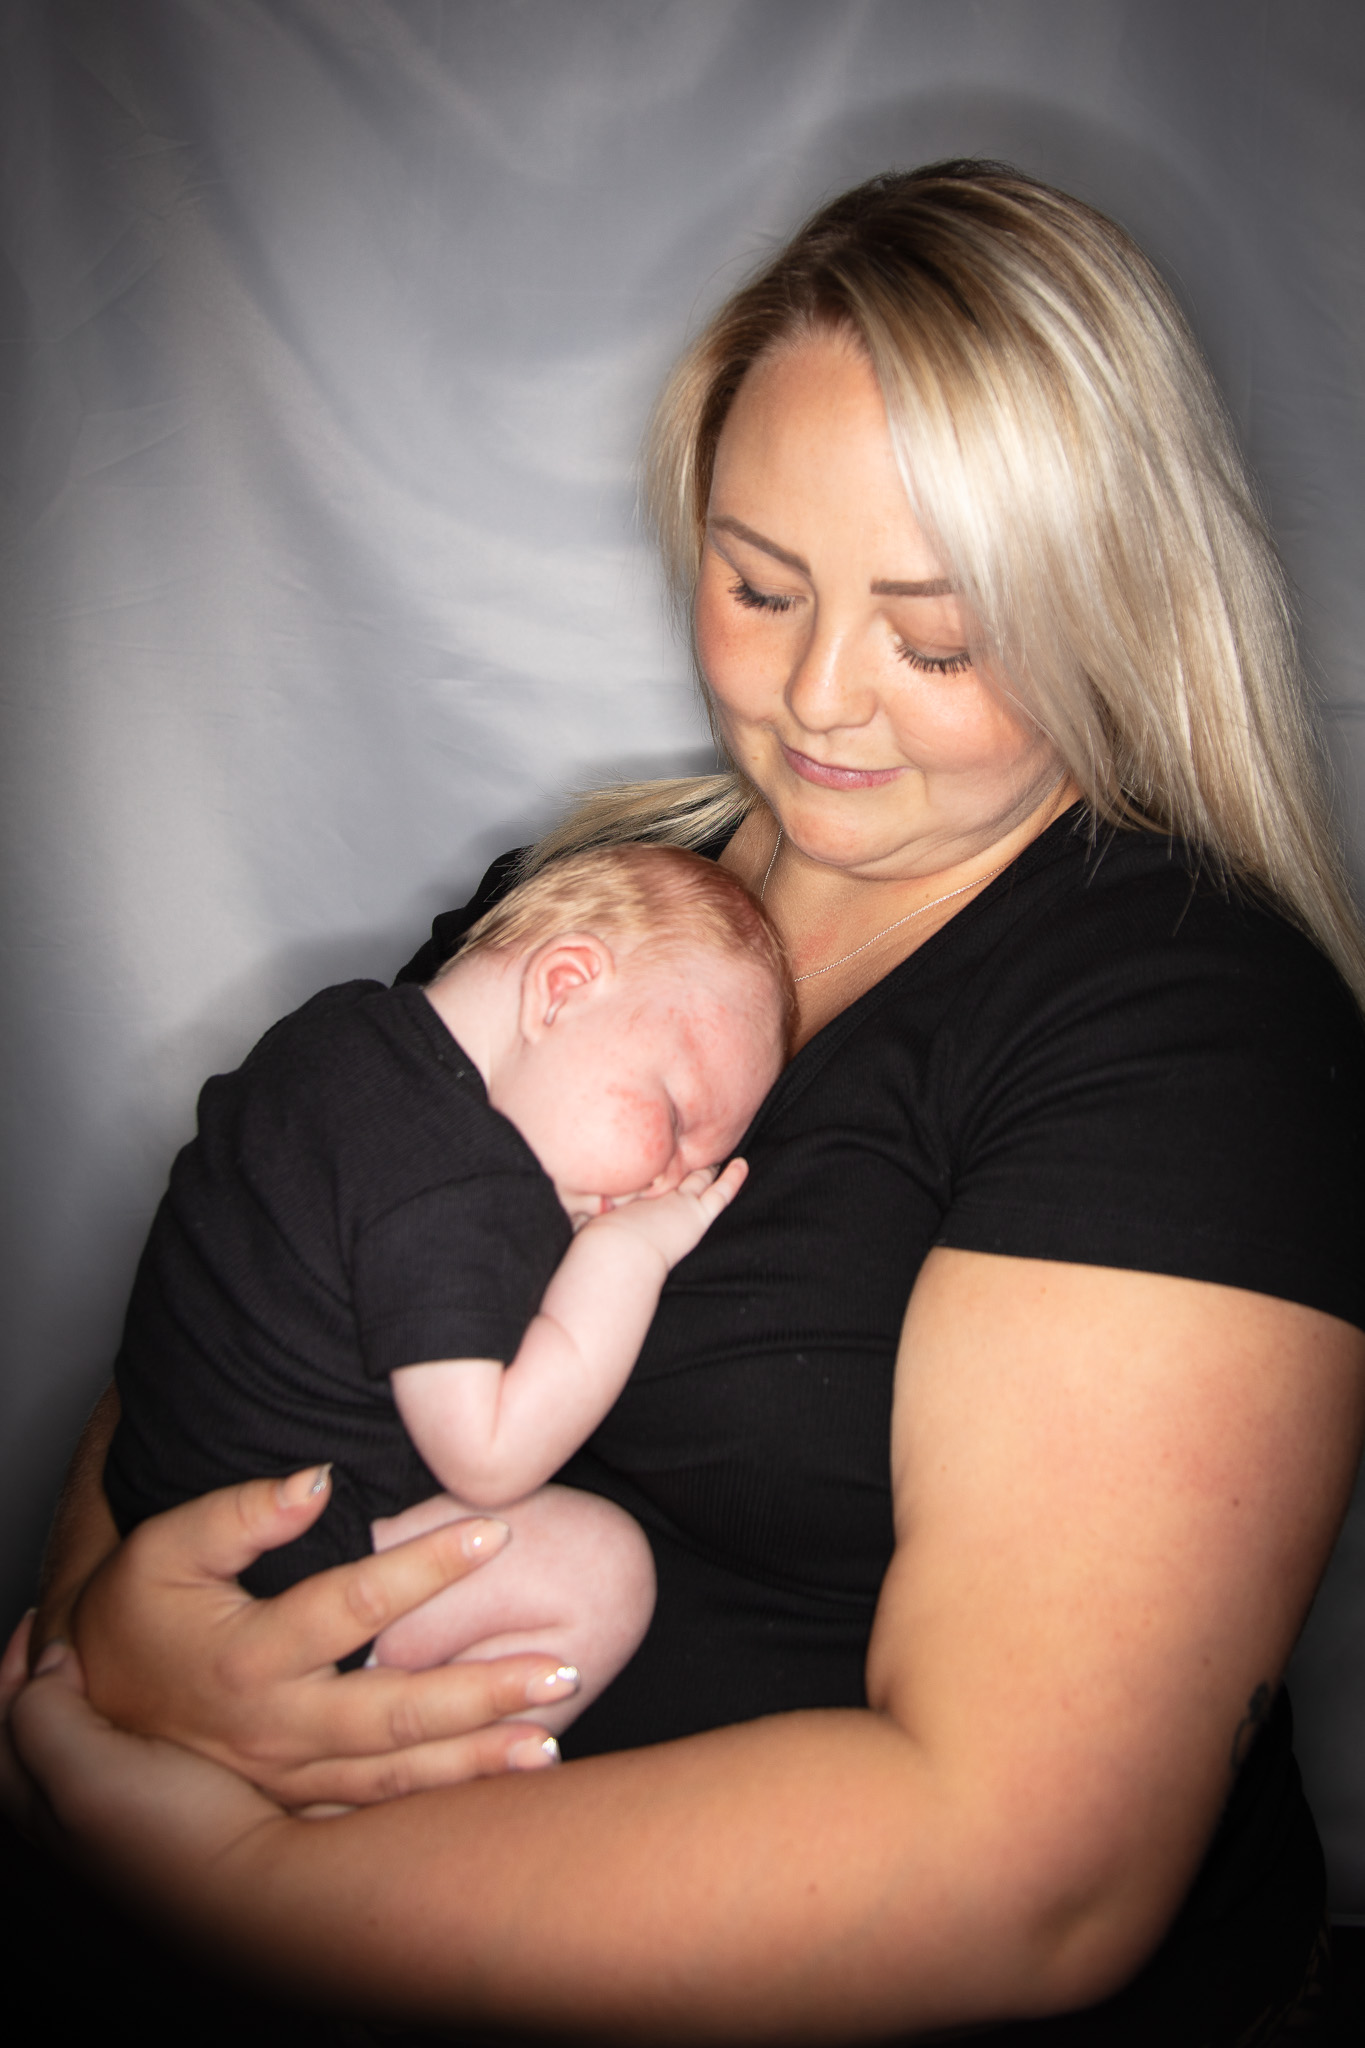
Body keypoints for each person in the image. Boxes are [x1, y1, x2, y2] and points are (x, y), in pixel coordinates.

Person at [6, 160, 1365, 2045]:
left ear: (1106, 600)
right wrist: (128, 1636)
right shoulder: (588, 916)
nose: (820, 695)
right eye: (758, 584)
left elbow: (1025, 1871)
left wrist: (237, 1880)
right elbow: (256, 1269)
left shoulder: (1192, 1029)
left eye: (936, 634)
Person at [103, 842, 788, 1724]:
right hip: (274, 1569)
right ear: (562, 987)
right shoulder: (462, 1189)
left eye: (697, 1167)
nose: (667, 1186)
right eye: (675, 1119)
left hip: (156, 1499)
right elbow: (490, 1456)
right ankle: (401, 1771)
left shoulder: (341, 1030)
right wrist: (626, 1259)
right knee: (598, 1570)